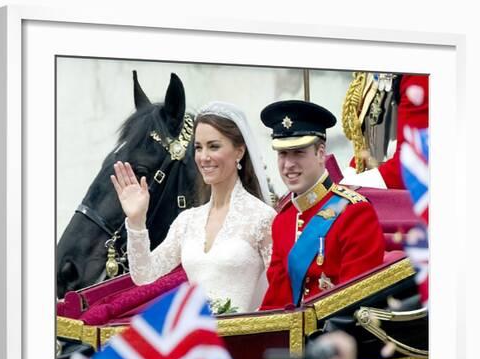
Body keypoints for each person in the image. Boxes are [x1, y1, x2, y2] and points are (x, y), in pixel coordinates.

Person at [111, 101, 276, 313]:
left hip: (244, 341)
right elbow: (144, 275)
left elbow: (278, 292)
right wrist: (136, 220)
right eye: (198, 147)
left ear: (239, 152)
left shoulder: (262, 217)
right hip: (197, 341)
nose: (203, 157)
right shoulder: (187, 221)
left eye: (214, 146)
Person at [259, 100, 385, 310]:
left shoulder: (354, 212)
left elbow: (356, 304)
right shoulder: (283, 220)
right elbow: (276, 304)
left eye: (298, 152)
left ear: (320, 153)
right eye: (282, 154)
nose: (288, 164)